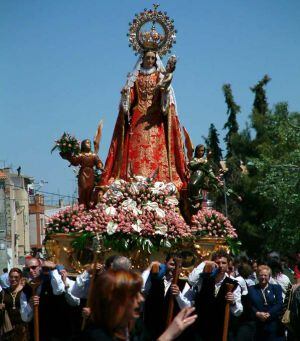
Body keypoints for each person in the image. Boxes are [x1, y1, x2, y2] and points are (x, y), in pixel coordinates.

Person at [99, 50, 187, 190]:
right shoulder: (136, 77)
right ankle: (133, 180)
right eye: (148, 57)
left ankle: (157, 181)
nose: (150, 60)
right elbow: (131, 97)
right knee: (135, 149)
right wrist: (126, 95)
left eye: (153, 58)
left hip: (154, 118)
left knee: (155, 148)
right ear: (142, 59)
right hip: (138, 116)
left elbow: (166, 97)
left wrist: (165, 89)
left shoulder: (160, 75)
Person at [84, 269, 197, 340]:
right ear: (116, 300)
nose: (140, 299)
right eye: (134, 295)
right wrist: (168, 335)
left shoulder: (136, 327)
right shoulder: (95, 336)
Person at [177, 250, 243, 340]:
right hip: (199, 329)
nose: (220, 265)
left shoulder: (233, 284)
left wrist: (233, 302)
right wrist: (204, 263)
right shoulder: (203, 279)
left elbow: (238, 311)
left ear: (228, 265)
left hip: (220, 330)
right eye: (217, 262)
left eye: (223, 263)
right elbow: (191, 280)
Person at [142, 254, 190, 340]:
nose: (174, 268)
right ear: (165, 263)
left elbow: (187, 307)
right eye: (172, 264)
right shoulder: (154, 279)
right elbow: (141, 288)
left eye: (178, 266)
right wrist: (149, 268)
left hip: (171, 330)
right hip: (150, 328)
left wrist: (178, 295)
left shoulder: (184, 285)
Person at [20, 258, 68, 341]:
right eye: (28, 269)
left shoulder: (51, 281)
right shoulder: (25, 290)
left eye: (34, 267)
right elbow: (25, 318)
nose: (31, 271)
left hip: (54, 331)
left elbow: (59, 291)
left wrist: (53, 268)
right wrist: (30, 305)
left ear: (40, 267)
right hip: (37, 333)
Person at [60, 139, 103, 208]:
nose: (89, 144)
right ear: (83, 145)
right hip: (83, 172)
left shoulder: (93, 155)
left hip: (91, 173)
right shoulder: (80, 155)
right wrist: (68, 157)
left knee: (90, 187)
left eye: (90, 143)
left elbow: (98, 162)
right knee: (83, 187)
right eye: (87, 143)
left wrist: (100, 166)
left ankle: (89, 201)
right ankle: (82, 202)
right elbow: (75, 162)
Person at [248, 265, 284, 341]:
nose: (263, 277)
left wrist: (269, 313)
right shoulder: (251, 289)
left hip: (274, 326)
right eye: (261, 275)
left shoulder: (276, 288)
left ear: (269, 276)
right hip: (259, 327)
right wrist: (257, 313)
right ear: (257, 276)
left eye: (265, 275)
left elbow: (279, 304)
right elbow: (250, 305)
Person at [0, 268, 29, 340]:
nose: (13, 279)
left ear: (20, 278)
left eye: (16, 277)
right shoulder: (4, 292)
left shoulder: (25, 291)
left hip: (23, 327)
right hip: (8, 327)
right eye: (11, 277)